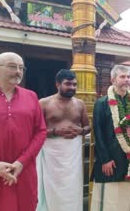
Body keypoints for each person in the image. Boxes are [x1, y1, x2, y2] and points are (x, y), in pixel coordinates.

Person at [0, 52, 47, 211]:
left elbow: (41, 132)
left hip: (23, 173)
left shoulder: (31, 97)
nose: (18, 71)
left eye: (21, 68)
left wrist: (22, 162)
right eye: (12, 66)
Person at [36, 69, 91, 211]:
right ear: (57, 84)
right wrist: (55, 131)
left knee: (71, 187)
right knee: (50, 186)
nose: (72, 87)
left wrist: (81, 131)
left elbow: (87, 127)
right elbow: (36, 130)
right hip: (51, 154)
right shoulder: (44, 103)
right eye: (68, 84)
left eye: (74, 84)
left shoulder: (80, 104)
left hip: (73, 154)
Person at [91, 65, 130, 211]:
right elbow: (98, 133)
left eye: (129, 77)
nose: (127, 80)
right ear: (112, 79)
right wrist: (105, 159)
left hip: (129, 160)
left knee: (125, 199)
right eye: (122, 77)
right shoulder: (102, 103)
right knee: (108, 198)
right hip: (110, 160)